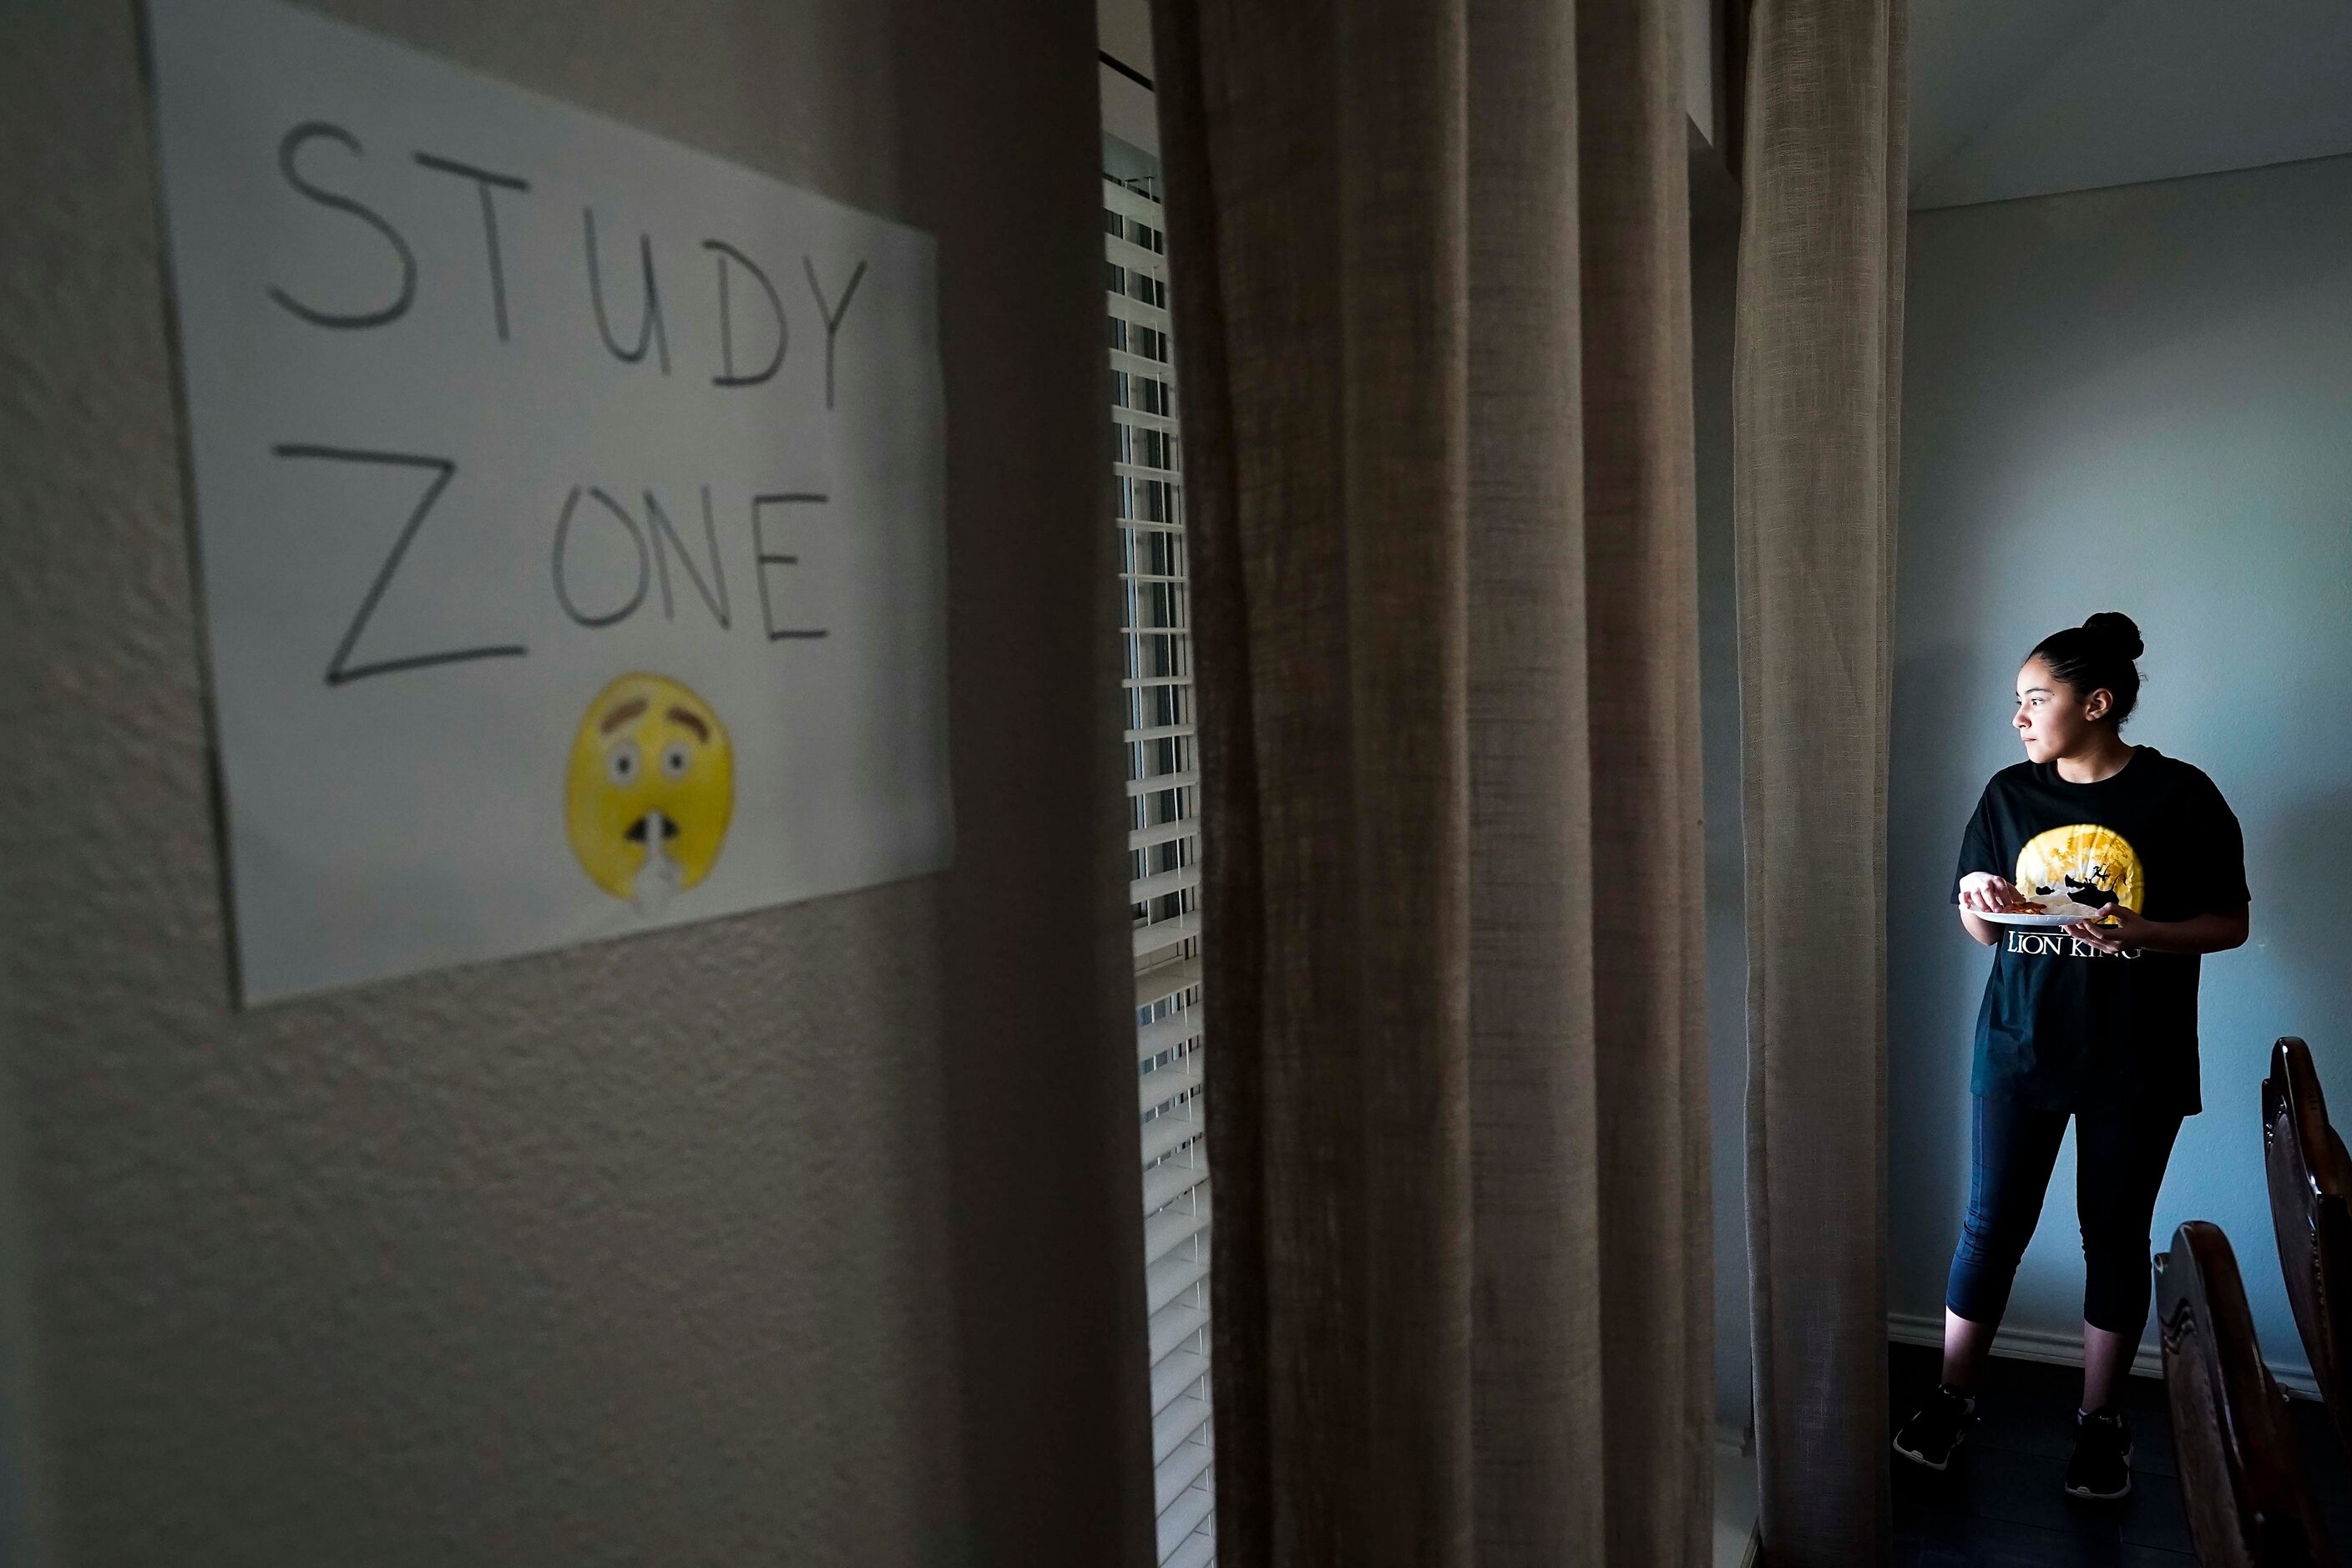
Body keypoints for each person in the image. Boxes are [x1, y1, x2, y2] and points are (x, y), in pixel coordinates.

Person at [1892, 612, 2250, 1501]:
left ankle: (2102, 1421)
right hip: (2018, 1046)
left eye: (2034, 699)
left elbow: (2231, 923)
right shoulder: (2010, 795)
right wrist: (1979, 894)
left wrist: (2147, 932)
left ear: (2096, 703)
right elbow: (1982, 928)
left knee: (2115, 1238)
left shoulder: (2181, 796)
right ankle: (1953, 1397)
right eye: (2016, 702)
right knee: (1990, 1228)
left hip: (2137, 1055)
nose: (2017, 717)